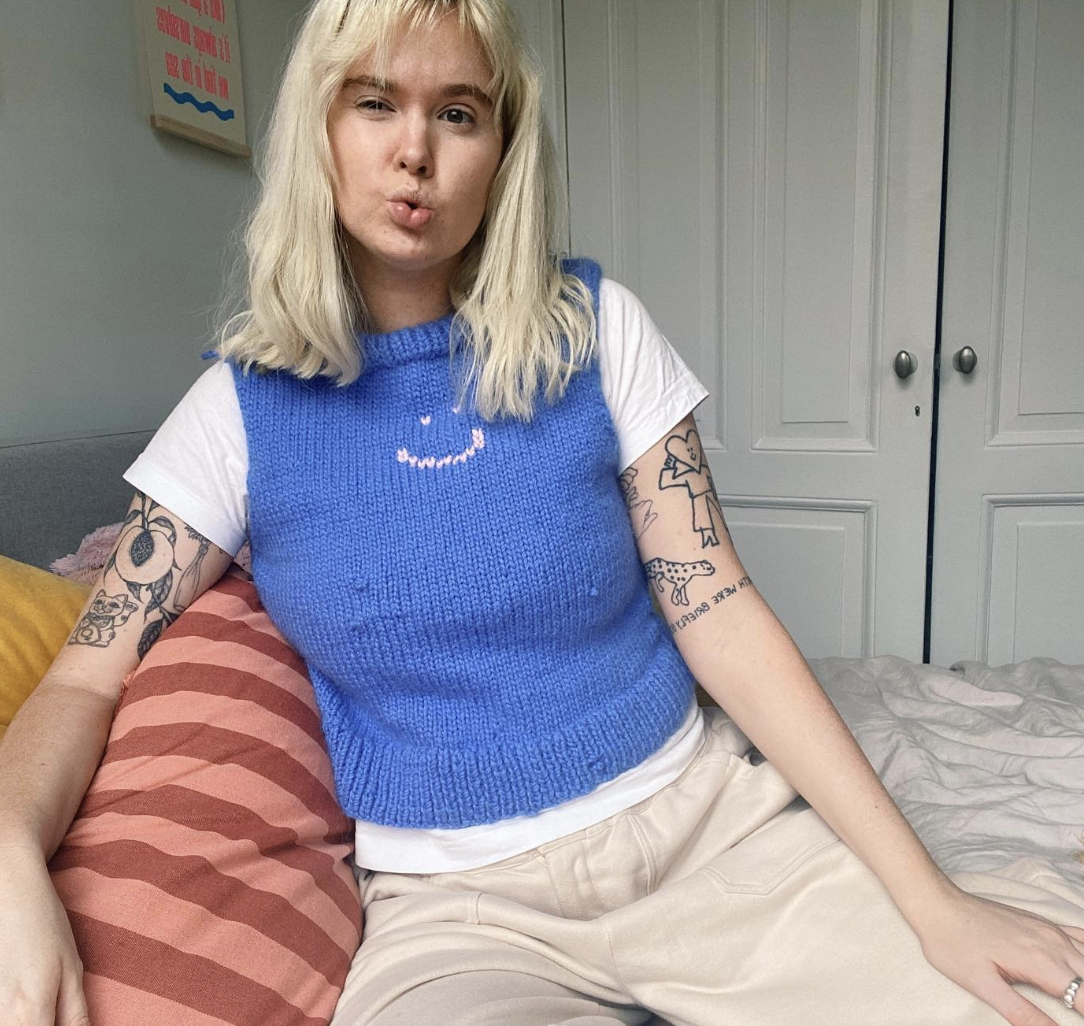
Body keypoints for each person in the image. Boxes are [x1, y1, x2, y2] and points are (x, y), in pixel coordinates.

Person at [1, 0, 1082, 1023]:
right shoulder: (236, 410)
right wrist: (9, 851)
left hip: (703, 834)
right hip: (453, 914)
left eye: (457, 112)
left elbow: (719, 609)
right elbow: (89, 668)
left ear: (502, 149)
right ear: (317, 126)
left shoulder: (597, 330)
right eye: (374, 101)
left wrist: (929, 894)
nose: (414, 151)